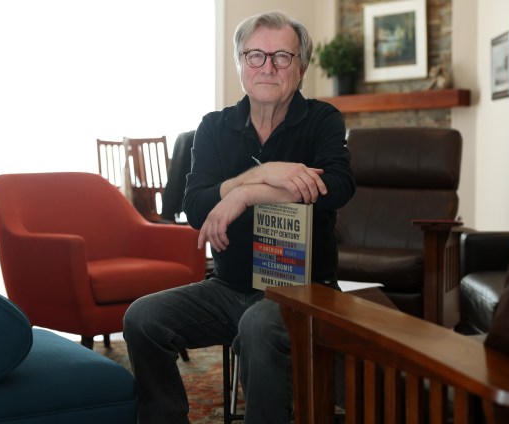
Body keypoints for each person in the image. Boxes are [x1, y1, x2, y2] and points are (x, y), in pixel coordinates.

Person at [123, 11, 355, 424]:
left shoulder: (322, 119)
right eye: (255, 56)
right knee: (143, 318)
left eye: (282, 56)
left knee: (257, 325)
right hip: (228, 287)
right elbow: (196, 206)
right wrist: (266, 174)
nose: (268, 66)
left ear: (301, 68)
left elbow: (334, 187)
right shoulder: (214, 127)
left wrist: (242, 195)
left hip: (300, 289)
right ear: (240, 65)